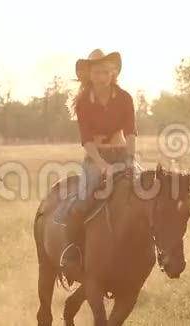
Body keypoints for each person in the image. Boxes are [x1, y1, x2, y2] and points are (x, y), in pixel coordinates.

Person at [60, 49, 139, 272]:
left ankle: (146, 249)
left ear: (113, 73)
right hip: (96, 158)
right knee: (81, 202)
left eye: (105, 72)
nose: (101, 77)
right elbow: (86, 139)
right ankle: (72, 252)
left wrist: (130, 159)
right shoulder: (84, 102)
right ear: (89, 75)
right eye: (96, 72)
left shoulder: (125, 98)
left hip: (122, 153)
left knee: (145, 194)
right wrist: (103, 165)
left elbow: (131, 131)